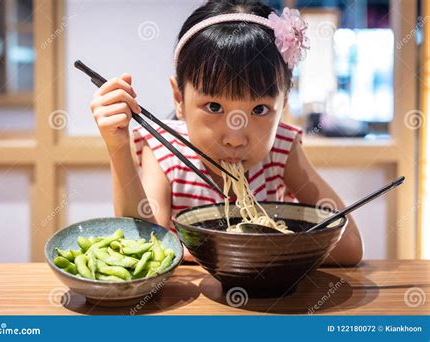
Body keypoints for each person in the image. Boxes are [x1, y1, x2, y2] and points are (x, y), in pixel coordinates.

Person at [89, 0, 363, 266]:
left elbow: (349, 248)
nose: (235, 137)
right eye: (214, 106)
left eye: (259, 110)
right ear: (178, 98)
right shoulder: (165, 148)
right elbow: (144, 246)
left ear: (284, 106)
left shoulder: (282, 148)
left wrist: (267, 248)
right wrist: (118, 147)